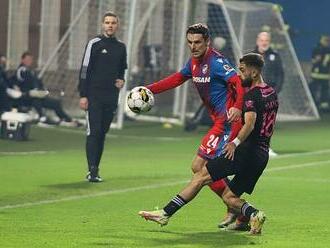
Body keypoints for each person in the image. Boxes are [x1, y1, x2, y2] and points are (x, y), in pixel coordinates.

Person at [139, 53, 279, 235]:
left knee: (200, 176)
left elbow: (250, 124)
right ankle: (254, 214)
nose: (239, 74)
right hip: (262, 155)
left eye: (242, 70)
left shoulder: (251, 96)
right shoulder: (272, 93)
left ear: (253, 72)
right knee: (230, 197)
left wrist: (235, 143)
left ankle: (165, 213)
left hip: (245, 152)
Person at [141, 23, 245, 227]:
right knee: (200, 167)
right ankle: (237, 210)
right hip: (218, 122)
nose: (193, 46)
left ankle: (239, 211)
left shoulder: (217, 62)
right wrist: (149, 89)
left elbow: (238, 83)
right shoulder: (194, 62)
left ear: (207, 42)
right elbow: (177, 78)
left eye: (197, 42)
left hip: (227, 123)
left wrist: (238, 107)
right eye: (189, 42)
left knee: (202, 169)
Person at [78, 11, 127, 183]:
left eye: (113, 22)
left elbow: (122, 70)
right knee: (94, 131)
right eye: (107, 22)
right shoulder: (94, 43)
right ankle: (91, 170)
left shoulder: (121, 47)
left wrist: (121, 80)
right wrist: (83, 95)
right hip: (93, 96)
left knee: (102, 133)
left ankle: (95, 169)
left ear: (117, 25)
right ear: (102, 24)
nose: (110, 25)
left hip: (111, 97)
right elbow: (84, 70)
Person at [14, 51, 76, 126]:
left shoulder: (31, 71)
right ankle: (42, 118)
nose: (29, 61)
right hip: (27, 97)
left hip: (38, 95)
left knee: (55, 103)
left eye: (30, 59)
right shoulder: (21, 70)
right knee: (35, 99)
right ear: (22, 60)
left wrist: (41, 89)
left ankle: (66, 119)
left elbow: (38, 83)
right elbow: (21, 82)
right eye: (27, 59)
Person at [253, 31, 282, 158]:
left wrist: (275, 90)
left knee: (267, 122)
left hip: (269, 95)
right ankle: (247, 148)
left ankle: (265, 148)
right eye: (262, 40)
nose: (264, 42)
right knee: (250, 121)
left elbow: (281, 75)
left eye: (267, 40)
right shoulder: (251, 56)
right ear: (257, 41)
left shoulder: (275, 56)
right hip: (252, 94)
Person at [309, 35, 330, 111]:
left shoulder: (318, 48)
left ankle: (313, 103)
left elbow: (315, 60)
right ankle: (323, 105)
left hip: (317, 74)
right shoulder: (328, 49)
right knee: (324, 89)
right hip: (326, 74)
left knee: (313, 88)